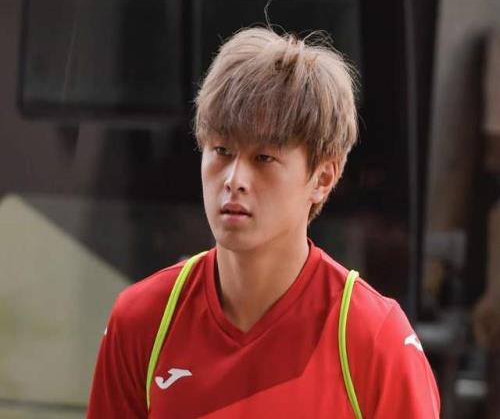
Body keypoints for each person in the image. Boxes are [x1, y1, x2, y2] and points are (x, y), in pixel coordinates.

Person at [87, 26, 440, 418]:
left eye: (264, 158)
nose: (234, 179)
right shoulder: (142, 321)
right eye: (221, 150)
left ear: (323, 177)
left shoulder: (373, 338)